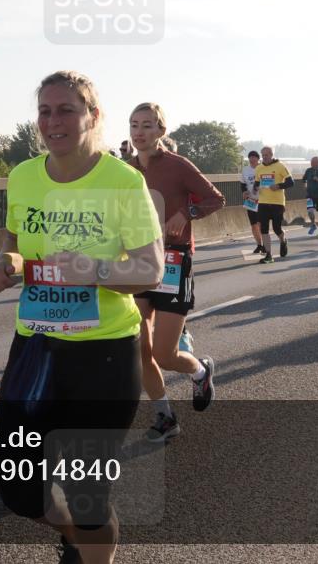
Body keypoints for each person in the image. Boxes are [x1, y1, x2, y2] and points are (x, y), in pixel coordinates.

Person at [0, 70, 164, 564]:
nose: (53, 121)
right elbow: (16, 240)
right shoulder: (23, 176)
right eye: (45, 110)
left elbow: (150, 270)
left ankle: (89, 546)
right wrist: (8, 263)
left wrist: (94, 269)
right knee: (19, 493)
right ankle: (72, 537)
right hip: (36, 349)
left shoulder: (122, 181)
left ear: (92, 116)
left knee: (89, 501)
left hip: (103, 355)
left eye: (66, 110)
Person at [127, 103, 224, 443]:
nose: (139, 132)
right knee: (138, 349)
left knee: (164, 355)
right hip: (137, 262)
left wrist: (186, 212)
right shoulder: (124, 171)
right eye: (134, 125)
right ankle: (165, 417)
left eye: (147, 125)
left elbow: (215, 199)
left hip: (173, 262)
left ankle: (200, 371)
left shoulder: (178, 166)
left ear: (161, 131)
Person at [254, 146, 294, 264]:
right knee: (264, 229)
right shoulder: (259, 168)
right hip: (263, 202)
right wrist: (255, 189)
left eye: (266, 155)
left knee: (277, 228)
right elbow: (256, 184)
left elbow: (291, 182)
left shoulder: (280, 166)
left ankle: (283, 240)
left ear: (272, 155)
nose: (264, 157)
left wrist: (278, 186)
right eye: (263, 155)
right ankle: (268, 255)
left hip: (277, 203)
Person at [241, 151, 265, 253]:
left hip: (262, 200)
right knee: (253, 225)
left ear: (258, 159)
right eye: (250, 157)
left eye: (254, 157)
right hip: (250, 200)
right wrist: (244, 192)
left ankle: (264, 244)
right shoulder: (245, 170)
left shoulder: (263, 168)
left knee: (260, 224)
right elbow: (242, 184)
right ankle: (259, 244)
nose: (252, 159)